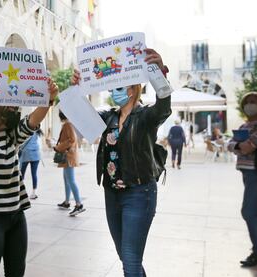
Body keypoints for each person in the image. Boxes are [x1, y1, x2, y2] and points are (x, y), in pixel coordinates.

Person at [71, 48, 171, 277]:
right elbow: (80, 115)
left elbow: (164, 105)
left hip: (139, 192)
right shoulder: (109, 117)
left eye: (119, 87)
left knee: (131, 260)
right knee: (125, 256)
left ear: (134, 88)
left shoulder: (146, 117)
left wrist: (158, 72)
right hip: (111, 194)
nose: (113, 92)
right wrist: (77, 88)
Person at [0, 72, 58, 277]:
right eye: (10, 106)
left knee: (16, 272)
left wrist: (49, 98)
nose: (14, 110)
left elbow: (33, 121)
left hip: (15, 217)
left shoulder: (11, 137)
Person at [228, 91, 257, 268]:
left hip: (254, 171)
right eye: (248, 102)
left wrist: (237, 146)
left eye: (254, 101)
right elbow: (231, 144)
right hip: (247, 172)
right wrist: (238, 145)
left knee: (248, 211)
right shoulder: (245, 125)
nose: (250, 104)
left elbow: (247, 147)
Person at [54, 111, 86, 216]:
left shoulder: (68, 124)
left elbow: (71, 140)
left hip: (68, 156)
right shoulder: (69, 124)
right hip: (68, 156)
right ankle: (67, 202)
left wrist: (58, 147)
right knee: (67, 179)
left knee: (71, 180)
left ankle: (79, 204)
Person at [19, 129, 43, 200]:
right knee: (34, 174)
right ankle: (34, 193)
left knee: (21, 173)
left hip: (26, 154)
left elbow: (22, 142)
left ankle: (20, 192)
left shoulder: (27, 130)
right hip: (36, 154)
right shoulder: (38, 132)